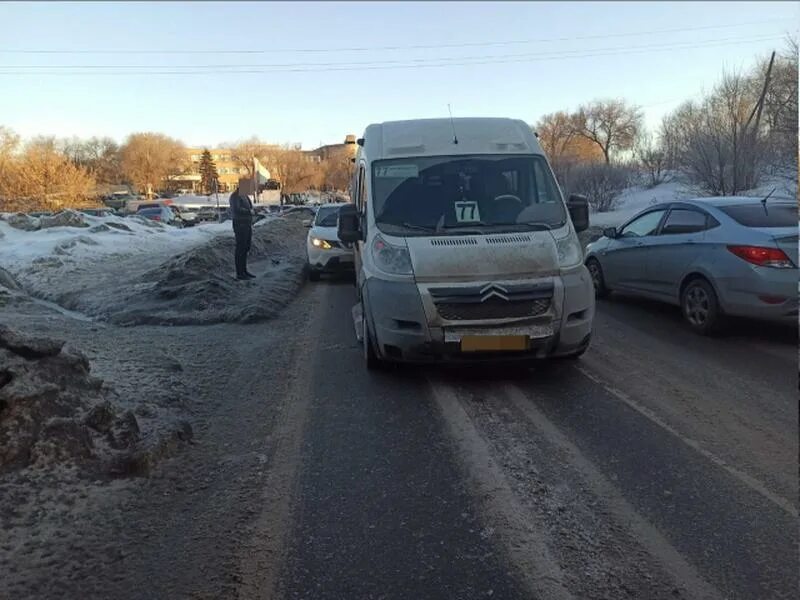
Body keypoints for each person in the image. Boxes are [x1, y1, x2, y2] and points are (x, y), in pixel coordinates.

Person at [229, 185, 256, 280]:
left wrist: (253, 211)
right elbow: (237, 209)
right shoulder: (235, 196)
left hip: (247, 224)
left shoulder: (245, 196)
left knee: (246, 247)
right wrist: (249, 211)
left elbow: (250, 206)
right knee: (241, 248)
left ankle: (244, 271)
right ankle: (240, 273)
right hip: (240, 224)